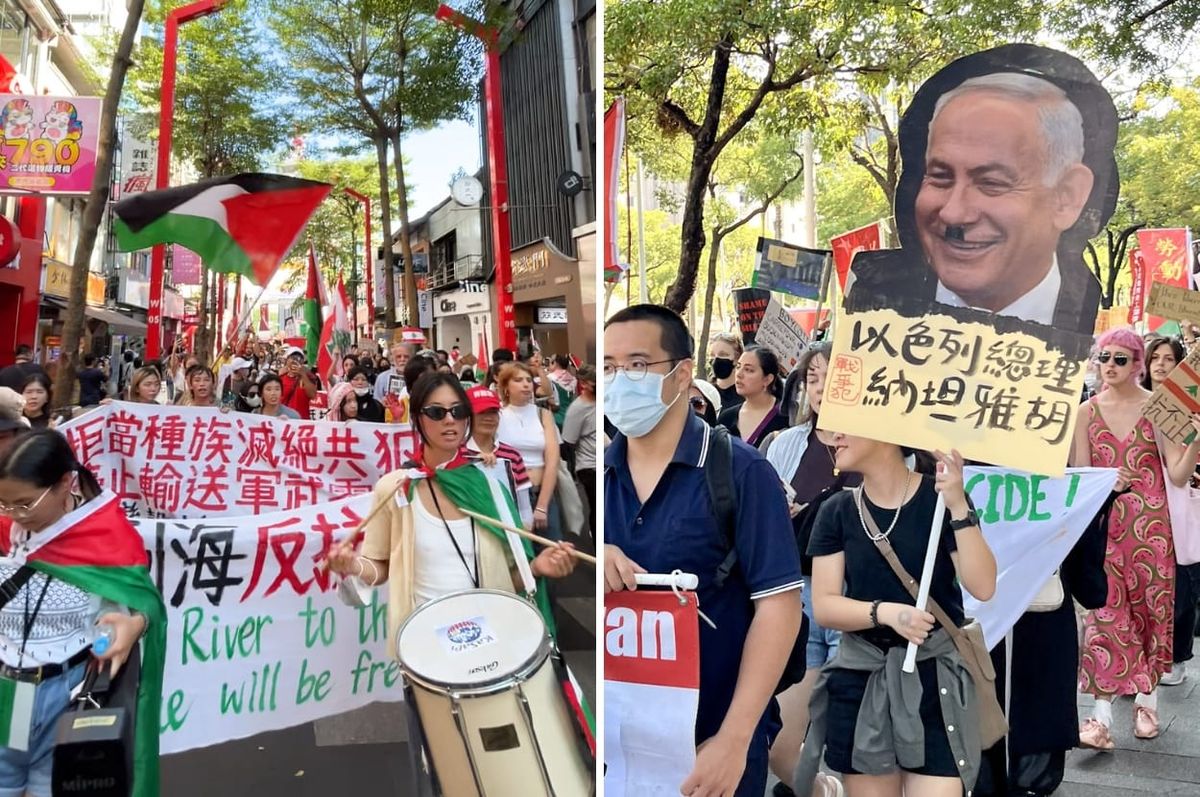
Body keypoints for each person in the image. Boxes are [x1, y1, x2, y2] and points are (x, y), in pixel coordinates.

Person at [604, 304, 804, 797]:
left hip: (714, 743)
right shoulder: (600, 475)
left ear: (681, 374)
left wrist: (732, 742)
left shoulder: (740, 472)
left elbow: (779, 608)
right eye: (607, 367)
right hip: (619, 745)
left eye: (636, 365)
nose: (619, 380)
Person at [847, 47, 1117, 335]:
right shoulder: (873, 301)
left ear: (1067, 197)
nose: (953, 213)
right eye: (940, 177)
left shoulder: (1078, 314)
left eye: (991, 184)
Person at [324, 371, 576, 660]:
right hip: (425, 646)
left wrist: (537, 567)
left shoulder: (490, 486)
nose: (449, 420)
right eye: (436, 412)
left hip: (493, 639)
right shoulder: (397, 488)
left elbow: (509, 578)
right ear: (417, 418)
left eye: (458, 411)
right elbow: (379, 566)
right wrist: (354, 565)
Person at [796, 438, 996, 797]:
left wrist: (957, 504)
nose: (833, 437)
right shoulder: (837, 509)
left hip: (936, 680)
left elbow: (983, 586)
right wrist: (884, 613)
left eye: (846, 427)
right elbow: (824, 605)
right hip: (863, 678)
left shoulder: (939, 500)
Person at [0, 429, 167, 797]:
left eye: (24, 504)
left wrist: (135, 624)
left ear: (64, 483)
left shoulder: (106, 534)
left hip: (68, 695)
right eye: (4, 504)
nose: (13, 515)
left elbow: (144, 603)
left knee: (54, 787)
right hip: (9, 692)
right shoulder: (6, 523)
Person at [1072, 327, 1200, 746]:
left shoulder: (1159, 408)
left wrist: (1195, 436)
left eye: (1119, 359)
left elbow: (1178, 475)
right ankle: (1100, 716)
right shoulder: (1085, 413)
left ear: (1136, 364)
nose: (1109, 366)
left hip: (1152, 533)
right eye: (1103, 358)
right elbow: (1079, 476)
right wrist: (1106, 480)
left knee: (1150, 616)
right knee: (1104, 619)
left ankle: (1148, 702)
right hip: (1103, 532)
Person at [761, 342, 861, 797]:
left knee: (858, 737)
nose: (822, 388)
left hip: (862, 603)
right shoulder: (785, 444)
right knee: (781, 741)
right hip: (797, 599)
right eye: (813, 377)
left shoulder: (887, 449)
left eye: (834, 375)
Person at [1140, 335, 1200, 686]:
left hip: (1184, 505)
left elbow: (1181, 472)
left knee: (1184, 582)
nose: (1161, 365)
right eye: (1155, 358)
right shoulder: (1132, 405)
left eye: (1169, 358)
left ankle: (1176, 656)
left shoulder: (1185, 408)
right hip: (1145, 509)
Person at [497, 362, 563, 540]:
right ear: (506, 387)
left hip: (542, 490)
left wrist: (542, 505)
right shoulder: (497, 416)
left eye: (528, 380)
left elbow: (552, 461)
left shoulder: (543, 415)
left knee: (552, 551)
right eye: (518, 380)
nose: (526, 384)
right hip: (511, 493)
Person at [465, 384, 534, 527]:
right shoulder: (455, 455)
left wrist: (525, 533)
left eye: (493, 412)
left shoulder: (512, 455)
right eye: (481, 412)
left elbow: (524, 507)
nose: (489, 418)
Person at [717, 345, 789, 447]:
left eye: (748, 370)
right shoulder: (727, 418)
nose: (739, 374)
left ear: (768, 379)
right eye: (738, 367)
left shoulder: (785, 417)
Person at [561, 364, 596, 535]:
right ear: (584, 383)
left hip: (608, 463)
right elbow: (568, 442)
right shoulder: (577, 410)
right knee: (598, 509)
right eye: (593, 381)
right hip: (590, 467)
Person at [279, 348, 317, 419]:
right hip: (284, 421)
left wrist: (303, 375)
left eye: (299, 358)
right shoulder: (281, 377)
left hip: (301, 422)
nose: (295, 360)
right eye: (292, 357)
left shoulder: (309, 377)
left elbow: (312, 395)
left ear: (302, 361)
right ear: (286, 360)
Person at [708, 332, 743, 410]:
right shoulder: (706, 393)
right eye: (712, 355)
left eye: (723, 355)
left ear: (737, 359)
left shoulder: (746, 395)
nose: (716, 359)